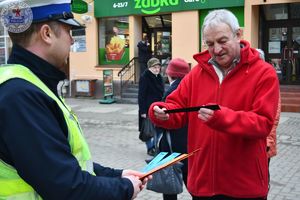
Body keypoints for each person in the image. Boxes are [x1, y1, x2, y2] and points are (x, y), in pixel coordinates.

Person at [0, 1, 150, 199]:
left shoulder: (29, 83)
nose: (72, 41)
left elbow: (61, 161)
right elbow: (66, 185)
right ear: (47, 34)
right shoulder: (21, 94)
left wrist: (117, 175)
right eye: (68, 31)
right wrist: (124, 188)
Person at [148, 9, 279, 200]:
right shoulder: (196, 74)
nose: (216, 49)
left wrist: (222, 118)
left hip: (244, 186)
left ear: (238, 35)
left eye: (222, 41)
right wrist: (160, 112)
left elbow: (263, 123)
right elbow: (177, 107)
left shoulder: (263, 73)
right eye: (210, 44)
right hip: (203, 184)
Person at [159, 58, 190, 200]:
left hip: (172, 145)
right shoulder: (190, 89)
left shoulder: (172, 91)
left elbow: (163, 121)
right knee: (192, 181)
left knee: (170, 186)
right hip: (189, 142)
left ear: (170, 74)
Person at [138, 57, 164, 156]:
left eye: (158, 67)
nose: (157, 69)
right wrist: (143, 111)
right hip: (148, 108)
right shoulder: (145, 77)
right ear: (149, 68)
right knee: (148, 130)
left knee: (159, 128)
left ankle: (155, 145)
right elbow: (141, 95)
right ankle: (150, 148)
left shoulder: (159, 77)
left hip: (159, 107)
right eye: (154, 67)